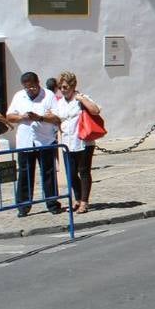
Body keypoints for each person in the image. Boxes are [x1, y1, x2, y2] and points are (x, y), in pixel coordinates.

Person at [5, 72, 62, 215]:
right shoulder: (19, 96)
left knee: (48, 173)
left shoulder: (48, 95)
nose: (30, 90)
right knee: (25, 174)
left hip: (45, 141)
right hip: (25, 142)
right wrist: (21, 117)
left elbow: (56, 117)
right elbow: (9, 116)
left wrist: (40, 118)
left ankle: (52, 203)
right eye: (27, 88)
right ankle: (23, 206)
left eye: (33, 87)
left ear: (38, 83)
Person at [54, 72, 102, 213]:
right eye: (60, 87)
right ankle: (78, 198)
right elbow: (58, 119)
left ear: (73, 85)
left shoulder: (82, 98)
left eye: (65, 87)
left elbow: (95, 110)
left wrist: (81, 99)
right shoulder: (60, 103)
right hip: (67, 142)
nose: (63, 90)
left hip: (83, 141)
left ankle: (84, 201)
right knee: (71, 173)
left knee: (84, 171)